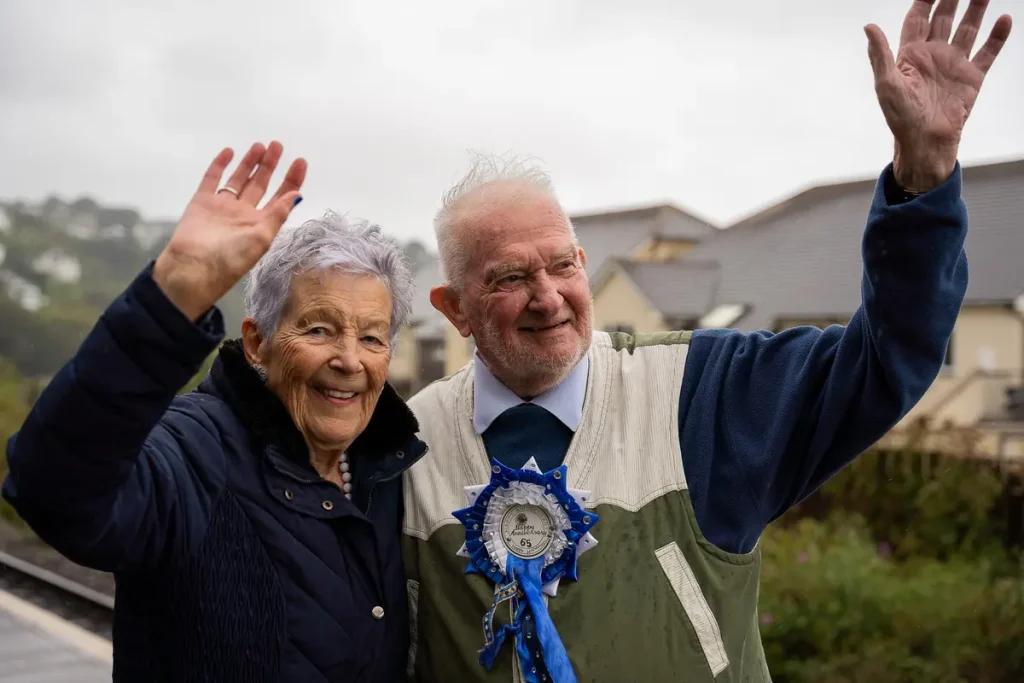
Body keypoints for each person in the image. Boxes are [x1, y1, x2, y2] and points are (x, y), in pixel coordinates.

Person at [400, 1, 1014, 681]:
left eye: (563, 264)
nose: (548, 296)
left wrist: (923, 178)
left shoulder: (701, 390)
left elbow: (884, 358)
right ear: (454, 308)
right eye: (511, 276)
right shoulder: (402, 445)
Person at [2, 141, 425, 682]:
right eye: (318, 329)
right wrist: (169, 300)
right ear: (256, 343)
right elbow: (55, 491)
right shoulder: (194, 448)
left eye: (371, 337)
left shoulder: (390, 469)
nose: (349, 360)